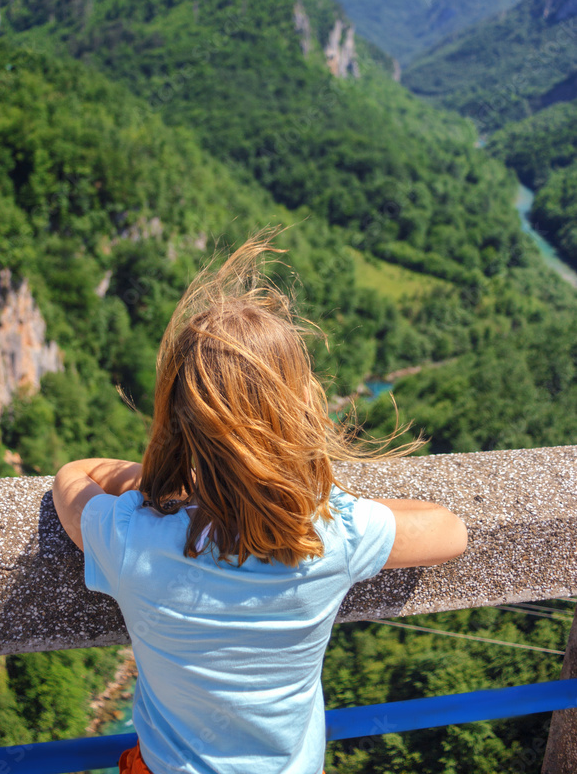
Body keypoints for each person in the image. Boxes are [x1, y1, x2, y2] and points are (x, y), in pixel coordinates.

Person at [52, 229, 468, 774]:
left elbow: (73, 477)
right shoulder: (333, 535)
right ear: (299, 409)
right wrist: (307, 496)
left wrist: (164, 484)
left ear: (177, 420)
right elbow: (450, 530)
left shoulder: (132, 540)